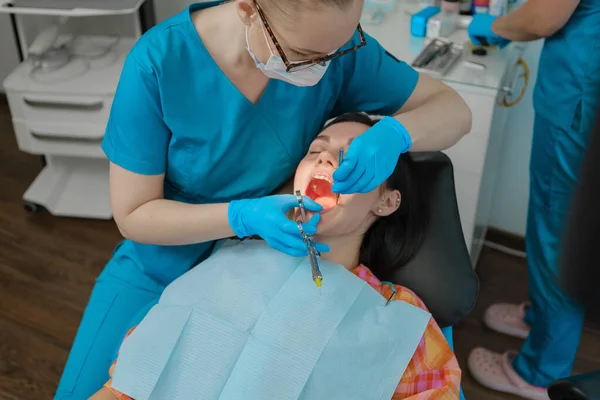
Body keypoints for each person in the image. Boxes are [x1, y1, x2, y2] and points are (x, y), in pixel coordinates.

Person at [55, 0, 471, 398]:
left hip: (263, 253)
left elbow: (453, 111)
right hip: (164, 260)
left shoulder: (334, 49)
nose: (325, 66)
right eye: (315, 149)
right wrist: (242, 217)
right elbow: (133, 214)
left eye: (337, 50)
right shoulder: (160, 63)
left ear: (387, 201)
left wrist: (396, 133)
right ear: (248, 11)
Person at [89, 113, 461, 400]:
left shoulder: (395, 313)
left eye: (350, 157)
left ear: (387, 201)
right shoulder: (228, 258)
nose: (326, 159)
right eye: (315, 150)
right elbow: (130, 379)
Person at [466, 0, 600, 398]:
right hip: (582, 92)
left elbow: (544, 16)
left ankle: (538, 371)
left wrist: (496, 25)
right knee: (553, 224)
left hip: (579, 101)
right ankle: (542, 319)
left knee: (557, 232)